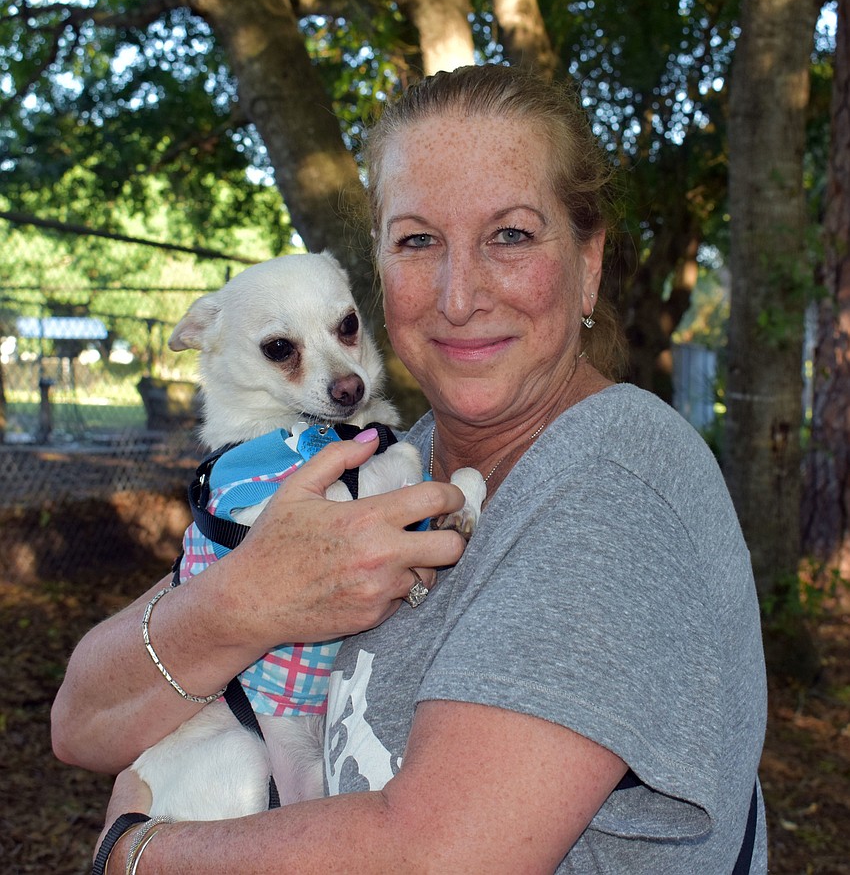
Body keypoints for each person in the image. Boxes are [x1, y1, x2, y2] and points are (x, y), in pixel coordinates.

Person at [51, 63, 768, 873]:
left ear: (589, 262)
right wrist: (244, 599)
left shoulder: (608, 490)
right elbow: (81, 719)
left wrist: (137, 855)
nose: (459, 295)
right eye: (418, 240)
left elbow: (437, 859)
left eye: (511, 235)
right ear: (378, 272)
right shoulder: (382, 459)